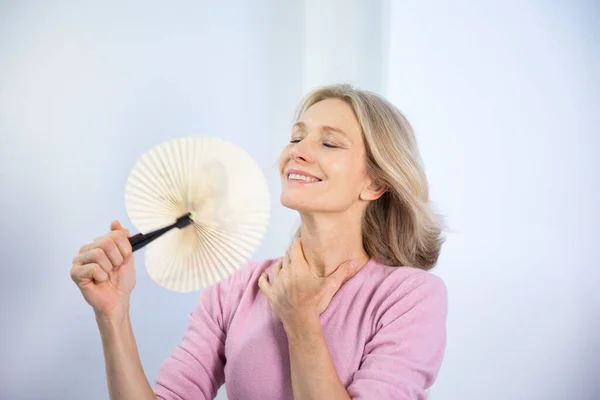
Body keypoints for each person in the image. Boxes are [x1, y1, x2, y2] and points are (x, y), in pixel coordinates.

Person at [70, 84, 448, 400]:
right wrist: (113, 315)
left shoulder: (411, 297)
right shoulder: (236, 288)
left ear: (376, 183)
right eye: (296, 137)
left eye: (329, 144)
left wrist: (300, 318)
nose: (296, 151)